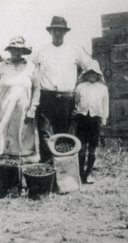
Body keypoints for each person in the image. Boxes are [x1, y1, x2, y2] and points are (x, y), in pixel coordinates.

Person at [33, 16, 93, 163]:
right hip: (46, 97)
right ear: (50, 32)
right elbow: (31, 71)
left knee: (63, 135)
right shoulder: (42, 50)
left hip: (66, 99)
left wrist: (80, 85)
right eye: (55, 30)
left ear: (65, 32)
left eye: (60, 30)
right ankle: (47, 168)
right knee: (45, 133)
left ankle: (62, 168)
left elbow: (90, 66)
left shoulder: (75, 50)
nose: (57, 33)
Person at [0, 36, 40, 157]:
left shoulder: (30, 67)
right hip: (3, 112)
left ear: (23, 51)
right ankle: (4, 171)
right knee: (3, 148)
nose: (16, 52)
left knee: (21, 149)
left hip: (23, 113)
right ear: (9, 50)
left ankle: (18, 171)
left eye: (19, 49)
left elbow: (37, 89)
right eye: (13, 49)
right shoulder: (0, 66)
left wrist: (33, 108)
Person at [74, 61, 109, 184]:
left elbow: (105, 105)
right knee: (82, 147)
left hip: (95, 120)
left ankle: (89, 173)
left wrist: (103, 119)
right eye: (89, 74)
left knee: (92, 147)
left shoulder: (103, 89)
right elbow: (77, 101)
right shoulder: (80, 87)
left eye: (94, 74)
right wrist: (78, 112)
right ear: (85, 75)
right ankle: (80, 174)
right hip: (82, 119)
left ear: (98, 75)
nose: (91, 76)